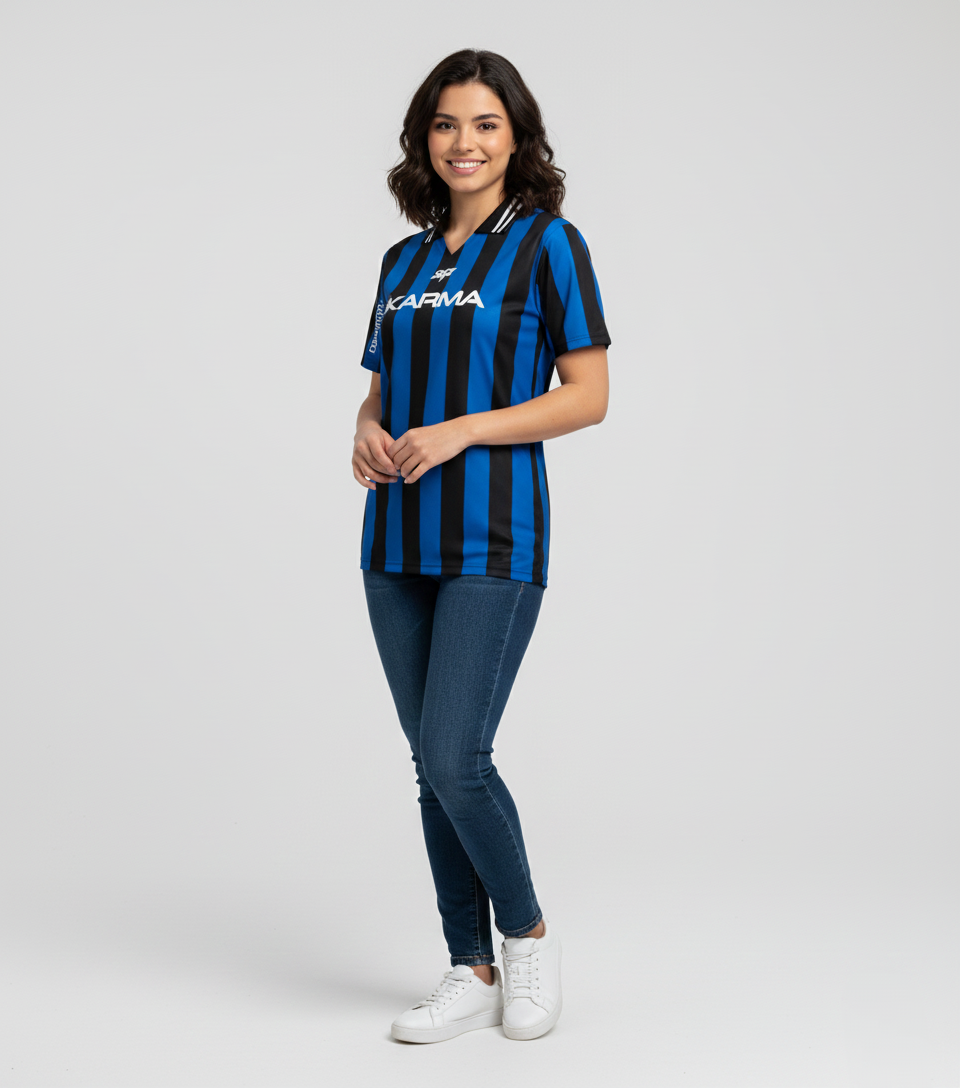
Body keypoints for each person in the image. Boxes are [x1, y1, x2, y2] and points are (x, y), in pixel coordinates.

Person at [351, 48, 610, 1043]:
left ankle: (528, 937)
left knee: (459, 755)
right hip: (395, 535)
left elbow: (587, 396)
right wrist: (363, 431)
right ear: (424, 138)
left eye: (486, 124)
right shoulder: (403, 261)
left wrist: (461, 430)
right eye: (447, 124)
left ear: (517, 138)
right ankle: (469, 964)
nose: (465, 142)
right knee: (430, 762)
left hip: (492, 534)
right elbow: (382, 388)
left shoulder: (548, 244)